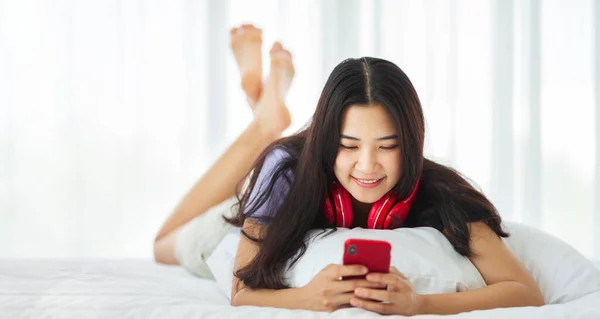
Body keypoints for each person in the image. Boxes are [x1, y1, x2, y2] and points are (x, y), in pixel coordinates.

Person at [154, 25, 545, 315]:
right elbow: (242, 292)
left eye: (388, 146)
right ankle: (264, 123)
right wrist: (306, 299)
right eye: (349, 145)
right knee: (163, 245)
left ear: (411, 143)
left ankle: (265, 109)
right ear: (327, 141)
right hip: (256, 208)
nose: (367, 165)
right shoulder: (285, 173)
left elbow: (525, 292)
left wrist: (420, 303)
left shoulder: (441, 193)